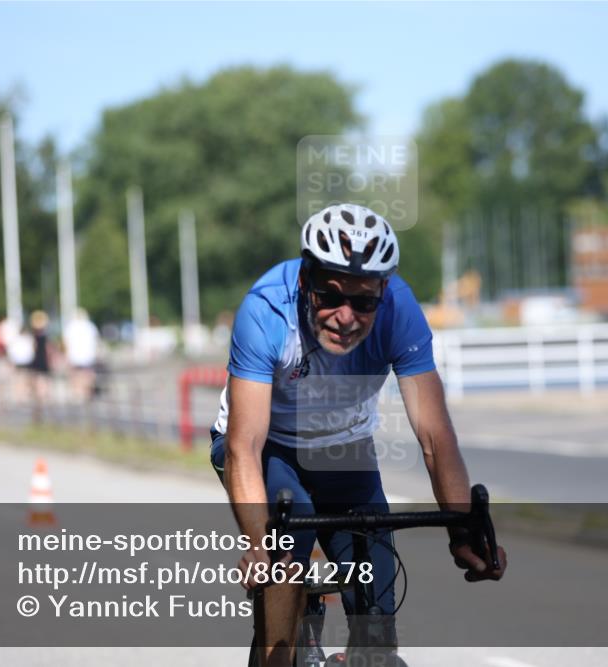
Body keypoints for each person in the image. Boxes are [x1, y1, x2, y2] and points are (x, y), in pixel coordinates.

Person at [209, 203, 506, 666]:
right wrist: (258, 544)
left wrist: (463, 528)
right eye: (330, 296)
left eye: (363, 301)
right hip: (269, 449)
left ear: (383, 293)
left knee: (377, 612)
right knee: (285, 561)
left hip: (343, 451)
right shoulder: (265, 309)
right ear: (306, 283)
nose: (346, 316)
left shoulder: (400, 312)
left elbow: (435, 437)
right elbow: (243, 447)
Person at [62, 308, 100, 402]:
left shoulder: (71, 326)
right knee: (87, 375)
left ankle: (77, 393)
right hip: (88, 356)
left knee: (75, 375)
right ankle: (86, 393)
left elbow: (66, 343)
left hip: (74, 356)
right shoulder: (90, 326)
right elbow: (96, 340)